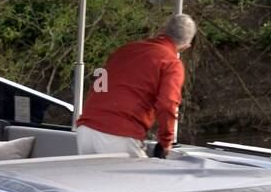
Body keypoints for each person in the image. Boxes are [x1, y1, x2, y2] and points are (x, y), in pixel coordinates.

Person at [75, 13, 196, 158]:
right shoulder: (171, 63)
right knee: (141, 180)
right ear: (185, 48)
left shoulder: (125, 50)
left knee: (93, 180)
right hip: (118, 134)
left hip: (86, 130)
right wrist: (165, 142)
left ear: (162, 31)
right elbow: (167, 104)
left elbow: (100, 85)